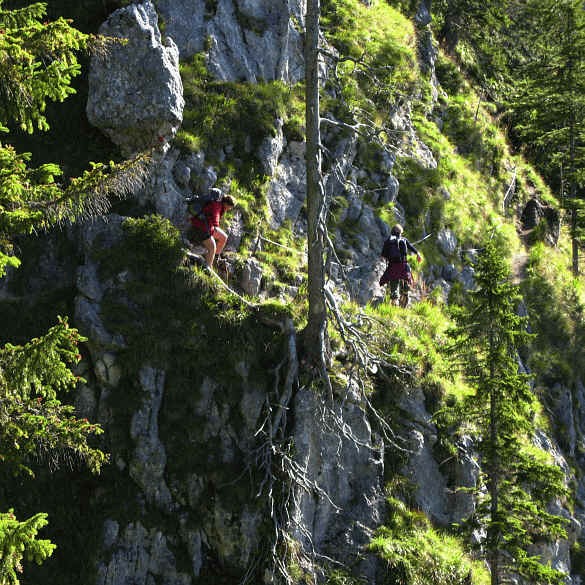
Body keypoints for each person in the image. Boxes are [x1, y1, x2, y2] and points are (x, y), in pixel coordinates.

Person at [187, 188, 236, 269]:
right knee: (212, 247)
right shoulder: (217, 205)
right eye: (230, 207)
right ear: (227, 204)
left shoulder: (219, 204)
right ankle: (208, 268)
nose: (229, 209)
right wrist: (216, 225)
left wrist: (215, 226)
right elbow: (215, 216)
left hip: (207, 226)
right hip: (201, 227)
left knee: (224, 237)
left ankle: (214, 257)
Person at [379, 224, 422, 307]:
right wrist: (418, 254)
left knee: (394, 286)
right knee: (407, 282)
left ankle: (394, 304)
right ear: (400, 232)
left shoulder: (388, 241)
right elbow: (412, 248)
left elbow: (383, 255)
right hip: (404, 266)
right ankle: (405, 294)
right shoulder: (404, 240)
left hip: (392, 267)